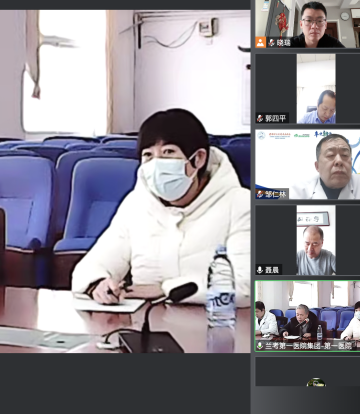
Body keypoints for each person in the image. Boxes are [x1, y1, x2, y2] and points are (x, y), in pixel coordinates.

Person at [71, 109, 250, 306]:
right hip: (143, 320)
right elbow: (92, 266)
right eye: (148, 155)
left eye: (168, 152)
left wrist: (164, 289)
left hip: (214, 320)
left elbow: (246, 286)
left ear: (198, 158)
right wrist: (98, 284)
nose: (157, 164)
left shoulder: (241, 204)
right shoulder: (136, 204)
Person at [290, 133, 360, 200]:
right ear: (317, 166)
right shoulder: (299, 191)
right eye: (330, 155)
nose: (339, 161)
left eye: (344, 155)